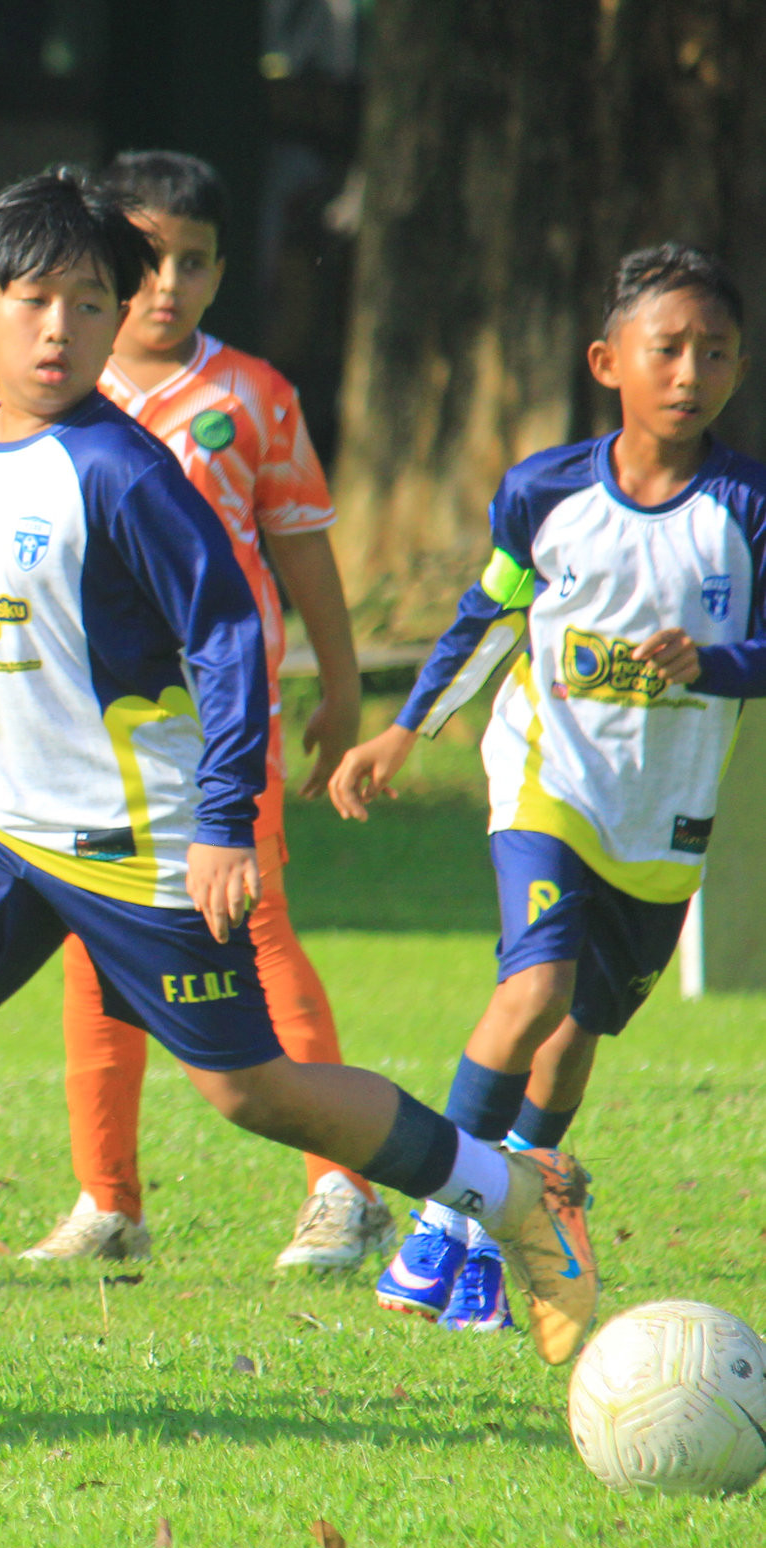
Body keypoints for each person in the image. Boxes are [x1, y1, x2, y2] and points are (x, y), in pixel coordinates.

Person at [0, 169, 598, 1374]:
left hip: (136, 830)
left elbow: (225, 637)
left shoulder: (123, 471)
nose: (60, 329)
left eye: (89, 305)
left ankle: (517, 1195)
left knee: (252, 1090)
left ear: (116, 321)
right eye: (34, 300)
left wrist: (223, 821)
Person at [335, 244, 761, 1334]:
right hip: (548, 773)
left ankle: (497, 1223)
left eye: (716, 351)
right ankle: (442, 1217)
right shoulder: (544, 492)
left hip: (662, 811)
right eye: (667, 348)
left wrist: (713, 664)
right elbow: (488, 616)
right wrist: (403, 730)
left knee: (577, 1031)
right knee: (533, 989)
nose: (691, 372)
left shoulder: (748, 508)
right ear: (606, 361)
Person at [20, 150, 389, 1273]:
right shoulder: (54, 395)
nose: (166, 284)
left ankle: (341, 1186)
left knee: (254, 928)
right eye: (146, 259)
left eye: (194, 262)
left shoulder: (252, 397)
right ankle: (106, 1201)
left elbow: (301, 550)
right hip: (88, 734)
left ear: (222, 273)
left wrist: (339, 683)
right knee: (92, 945)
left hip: (222, 729)